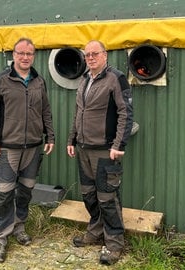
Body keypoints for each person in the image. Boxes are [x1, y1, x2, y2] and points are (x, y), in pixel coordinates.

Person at [0, 37, 55, 263]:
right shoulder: (0, 80)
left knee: (25, 191)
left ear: (34, 56)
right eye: (21, 53)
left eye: (29, 53)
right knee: (4, 193)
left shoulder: (38, 81)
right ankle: (0, 237)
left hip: (33, 147)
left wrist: (50, 135)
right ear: (13, 55)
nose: (25, 57)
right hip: (7, 148)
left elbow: (45, 110)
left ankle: (19, 226)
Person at [67, 40, 133, 265]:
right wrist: (72, 139)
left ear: (105, 55)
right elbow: (78, 111)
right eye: (87, 55)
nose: (91, 58)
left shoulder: (116, 78)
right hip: (83, 149)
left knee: (107, 197)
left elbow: (126, 112)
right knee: (89, 195)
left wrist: (118, 145)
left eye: (95, 54)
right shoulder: (85, 79)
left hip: (105, 150)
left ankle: (114, 243)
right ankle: (95, 232)